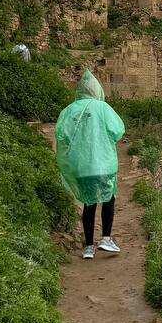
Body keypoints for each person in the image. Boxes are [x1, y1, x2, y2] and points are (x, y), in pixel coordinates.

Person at [55, 70, 125, 259]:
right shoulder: (103, 108)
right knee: (108, 199)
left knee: (89, 202)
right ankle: (106, 239)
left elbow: (62, 134)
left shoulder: (69, 110)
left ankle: (88, 247)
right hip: (104, 164)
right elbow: (118, 130)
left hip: (81, 166)